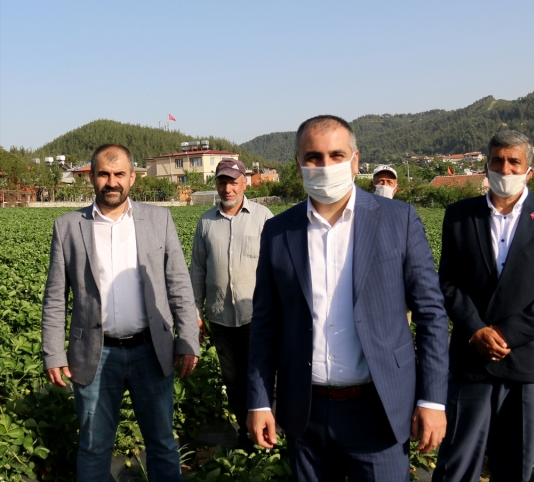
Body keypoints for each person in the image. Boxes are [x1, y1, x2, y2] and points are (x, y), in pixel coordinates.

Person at [246, 115, 449, 481]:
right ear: (298, 165)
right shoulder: (279, 231)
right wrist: (260, 399)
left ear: (355, 161)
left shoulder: (397, 219)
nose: (325, 166)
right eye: (313, 157)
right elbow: (265, 323)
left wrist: (432, 399)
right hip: (304, 408)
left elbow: (431, 313)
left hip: (378, 406)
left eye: (336, 155)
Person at [42, 144, 200, 482]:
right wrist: (53, 351)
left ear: (132, 177)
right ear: (92, 178)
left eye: (118, 174)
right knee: (94, 447)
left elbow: (179, 284)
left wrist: (188, 338)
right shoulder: (68, 227)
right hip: (95, 356)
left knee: (161, 443)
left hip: (151, 350)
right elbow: (55, 296)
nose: (111, 182)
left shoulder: (159, 219)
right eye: (103, 174)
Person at [433, 131, 534, 482]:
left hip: (526, 361)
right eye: (498, 160)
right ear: (487, 164)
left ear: (529, 170)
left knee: (515, 464)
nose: (505, 168)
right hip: (471, 358)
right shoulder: (459, 215)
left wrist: (504, 333)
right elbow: (449, 283)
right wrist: (476, 329)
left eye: (514, 161)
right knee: (456, 463)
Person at [190, 158, 273, 449]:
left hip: (257, 316)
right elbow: (198, 269)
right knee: (234, 380)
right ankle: (245, 430)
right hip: (220, 316)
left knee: (261, 377)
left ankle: (268, 429)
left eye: (233, 182)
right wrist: (195, 313)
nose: (227, 188)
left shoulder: (263, 217)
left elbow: (276, 268)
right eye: (222, 182)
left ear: (244, 183)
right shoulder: (206, 222)